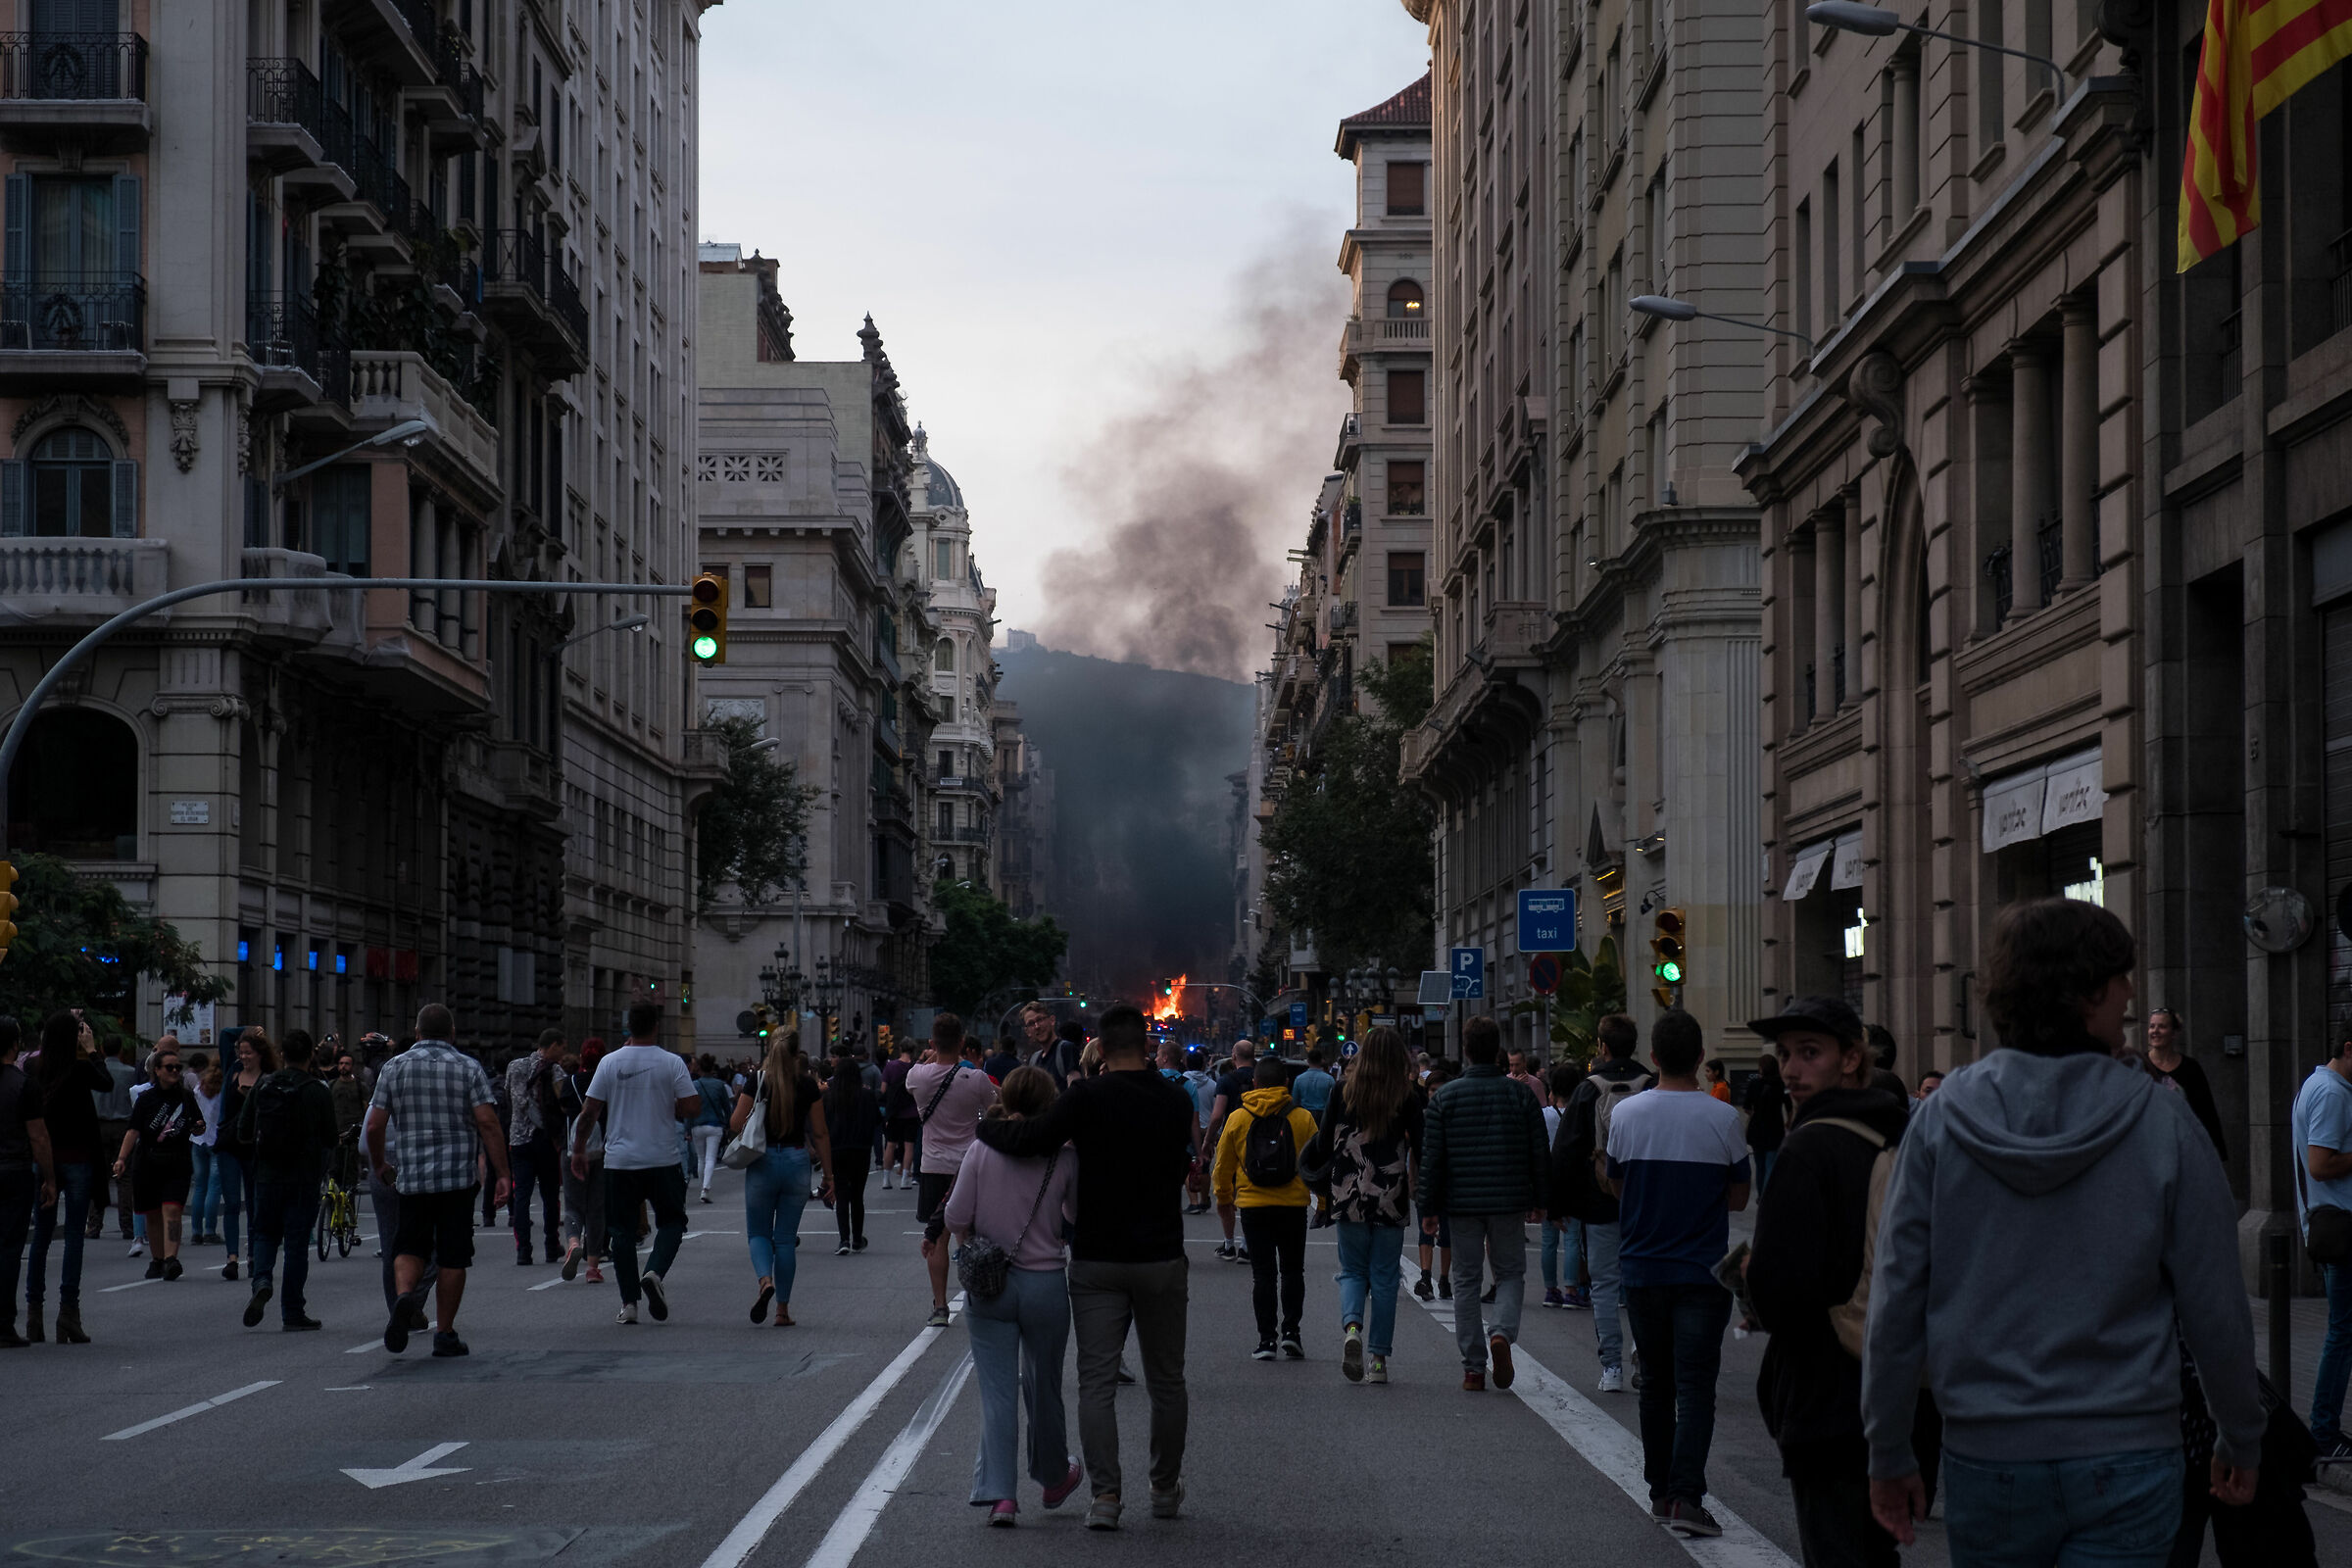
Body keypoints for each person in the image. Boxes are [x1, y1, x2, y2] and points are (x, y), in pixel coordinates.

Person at [1864, 898, 2263, 1562]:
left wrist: (1887, 1446)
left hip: (1987, 1453)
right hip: (2129, 1448)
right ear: (2087, 993)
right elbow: (2215, 1304)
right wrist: (2239, 1433)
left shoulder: (1940, 1121)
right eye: (2120, 978)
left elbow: (1896, 1297)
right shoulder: (2163, 1122)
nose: (2132, 995)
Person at [972, 1004, 1195, 1531]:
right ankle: (1163, 1488)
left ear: (1101, 1045)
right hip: (1161, 1254)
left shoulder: (1085, 1098)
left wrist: (985, 1130)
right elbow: (1192, 1159)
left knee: (1095, 1383)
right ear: (1146, 1044)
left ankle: (1106, 1498)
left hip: (1098, 1257)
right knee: (1167, 1381)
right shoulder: (1175, 1098)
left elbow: (1031, 1140)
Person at [1743, 995, 1912, 1567]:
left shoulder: (1810, 1146)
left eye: (1810, 1052)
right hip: (1897, 1383)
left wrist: (1753, 1285)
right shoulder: (1897, 1136)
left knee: (1836, 1550)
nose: (1791, 1068)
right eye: (1786, 1053)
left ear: (1850, 1058)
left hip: (1825, 1389)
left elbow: (1777, 1286)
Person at [1602, 1007, 1750, 1538]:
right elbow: (1738, 1198)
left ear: (1655, 1058)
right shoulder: (1724, 1119)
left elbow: (1616, 1186)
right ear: (1701, 1058)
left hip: (1642, 1269)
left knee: (1656, 1386)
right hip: (1702, 1273)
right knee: (1695, 1387)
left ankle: (1660, 1490)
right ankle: (1688, 1495)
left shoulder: (1626, 1114)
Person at [946, 1064, 1084, 1526]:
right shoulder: (1063, 1157)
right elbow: (1074, 1214)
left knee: (997, 1391)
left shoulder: (981, 1149)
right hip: (1045, 1284)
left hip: (992, 1284)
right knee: (1044, 1387)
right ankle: (1052, 1478)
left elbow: (955, 1215)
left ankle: (1001, 1495)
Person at [367, 1004, 511, 1356]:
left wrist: (380, 1163)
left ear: (417, 1033)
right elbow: (489, 1123)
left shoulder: (394, 1068)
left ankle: (404, 1297)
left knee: (408, 1247)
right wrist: (503, 1174)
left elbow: (374, 1125)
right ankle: (444, 1333)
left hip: (412, 1178)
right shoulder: (468, 1068)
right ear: (452, 1033)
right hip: (457, 1181)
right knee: (452, 1256)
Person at [1417, 1014, 1548, 1393]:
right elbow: (1539, 1152)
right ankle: (1502, 1334)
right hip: (1509, 1200)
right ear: (1498, 1052)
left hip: (1461, 1204)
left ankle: (1473, 1367)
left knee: (1466, 1280)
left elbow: (1432, 1160)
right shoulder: (1521, 1095)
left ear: (1466, 1050)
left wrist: (1428, 1208)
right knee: (1509, 1273)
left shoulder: (1445, 1096)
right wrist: (1541, 1198)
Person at [1303, 1024, 1422, 1384]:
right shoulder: (1407, 1095)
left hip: (1347, 1193)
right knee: (1385, 1278)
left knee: (1353, 1271)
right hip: (1391, 1195)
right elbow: (1422, 1143)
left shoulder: (1342, 1090)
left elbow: (1323, 1142)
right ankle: (1379, 1362)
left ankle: (1352, 1328)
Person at [572, 1002, 698, 1326]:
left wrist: (578, 1149)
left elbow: (589, 1112)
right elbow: (691, 1106)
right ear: (656, 1025)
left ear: (629, 1027)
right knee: (672, 1222)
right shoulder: (672, 1063)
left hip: (621, 1160)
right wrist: (669, 1104)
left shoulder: (609, 1063)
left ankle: (629, 1304)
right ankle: (654, 1271)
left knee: (621, 1232)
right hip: (662, 1158)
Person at [1555, 1012, 1650, 1391]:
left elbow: (1565, 1149)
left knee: (1605, 1286)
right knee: (1642, 1282)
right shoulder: (1651, 1082)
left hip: (1599, 1202)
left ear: (1603, 1046)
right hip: (1645, 1201)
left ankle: (1611, 1367)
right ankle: (1643, 1352)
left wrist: (1559, 1203)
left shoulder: (1588, 1088)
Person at [1211, 1054, 1318, 1361]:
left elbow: (1223, 1165)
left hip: (1253, 1206)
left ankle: (1267, 1340)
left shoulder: (1238, 1118)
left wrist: (1223, 1198)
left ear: (1254, 1083)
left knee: (1263, 1274)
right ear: (1287, 1083)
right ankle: (1292, 1334)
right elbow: (1317, 1164)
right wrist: (1323, 1202)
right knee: (1293, 1271)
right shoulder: (1302, 1117)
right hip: (1293, 1205)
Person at [239, 1028, 338, 1331]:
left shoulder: (264, 1085)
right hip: (302, 1180)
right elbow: (330, 1138)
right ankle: (292, 1311)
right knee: (296, 1246)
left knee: (265, 1234)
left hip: (267, 1176)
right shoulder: (317, 1090)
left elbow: (243, 1131)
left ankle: (262, 1280)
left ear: (281, 1055)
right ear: (311, 1055)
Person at [728, 1036, 831, 1326]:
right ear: (798, 1052)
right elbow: (821, 1133)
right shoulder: (808, 1085)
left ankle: (764, 1281)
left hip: (763, 1161)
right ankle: (782, 1311)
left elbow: (736, 1123)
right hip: (797, 1160)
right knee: (785, 1240)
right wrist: (829, 1175)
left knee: (759, 1234)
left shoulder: (758, 1080)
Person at [907, 1012, 999, 1328]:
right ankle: (977, 1296)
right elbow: (995, 1110)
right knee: (971, 1236)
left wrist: (930, 1057)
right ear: (962, 1042)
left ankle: (940, 1306)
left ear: (932, 1042)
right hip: (969, 1166)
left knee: (937, 1238)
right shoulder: (976, 1079)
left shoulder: (917, 1076)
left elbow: (920, 1069)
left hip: (933, 1166)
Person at [2292, 1022, 2352, 1463]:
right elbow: (2320, 1164)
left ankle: (2325, 1429)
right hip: (2343, 1231)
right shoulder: (2332, 1093)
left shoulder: (2318, 1084)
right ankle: (2324, 1431)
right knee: (2342, 1334)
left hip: (2336, 1228)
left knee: (2343, 1332)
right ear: (2349, 1049)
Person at [27, 1012, 107, 1343]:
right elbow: (106, 1081)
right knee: (74, 1234)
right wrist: (91, 1049)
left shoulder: (35, 1067)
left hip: (45, 1160)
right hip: (77, 1159)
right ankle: (68, 1312)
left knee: (42, 1237)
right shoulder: (81, 1069)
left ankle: (33, 1313)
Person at [114, 1045, 202, 1282]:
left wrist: (198, 1127)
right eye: (169, 1067)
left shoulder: (185, 1096)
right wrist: (122, 1159)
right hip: (148, 1163)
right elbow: (133, 1131)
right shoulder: (146, 1099)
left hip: (177, 1162)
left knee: (172, 1210)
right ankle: (158, 1259)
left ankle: (171, 1259)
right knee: (152, 1214)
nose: (174, 1071)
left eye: (177, 1067)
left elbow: (198, 1121)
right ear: (157, 1070)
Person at [0, 1015, 55, 1348]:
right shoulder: (23, 1084)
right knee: (8, 1248)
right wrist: (49, 1177)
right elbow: (39, 1137)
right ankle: (3, 1323)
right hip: (13, 1171)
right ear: (15, 1044)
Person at [215, 1030, 274, 1280]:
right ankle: (232, 1258)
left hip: (254, 1146)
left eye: (249, 1052)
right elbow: (225, 1036)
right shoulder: (232, 1071)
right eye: (241, 1051)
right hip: (229, 1143)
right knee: (231, 1203)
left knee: (253, 1203)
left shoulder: (268, 1078)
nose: (244, 1056)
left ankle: (252, 1256)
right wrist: (251, 1028)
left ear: (260, 1054)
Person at [505, 1030, 568, 1263]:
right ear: (551, 1046)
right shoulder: (556, 1071)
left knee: (521, 1193)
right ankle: (552, 1244)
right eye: (562, 1048)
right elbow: (563, 1106)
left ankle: (523, 1250)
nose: (563, 1053)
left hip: (518, 1139)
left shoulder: (514, 1066)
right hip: (545, 1139)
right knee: (550, 1194)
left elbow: (508, 1099)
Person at [2142, 1007, 2227, 1158]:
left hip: (2183, 1149)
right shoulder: (2139, 1064)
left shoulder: (2190, 1068)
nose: (2155, 1031)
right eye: (2152, 1026)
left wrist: (2215, 1151)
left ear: (2174, 1033)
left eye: (2162, 1026)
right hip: (2147, 1147)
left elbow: (2206, 1112)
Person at [823, 1044, 881, 1255]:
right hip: (861, 1149)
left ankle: (843, 1239)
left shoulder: (829, 1097)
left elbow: (824, 1125)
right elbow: (877, 1120)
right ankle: (857, 1238)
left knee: (842, 1193)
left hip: (837, 1149)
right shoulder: (866, 1096)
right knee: (857, 1195)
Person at [1542, 1059, 1590, 1309]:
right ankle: (1572, 1289)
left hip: (1548, 1181)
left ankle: (1551, 1289)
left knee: (1548, 1239)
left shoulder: (1545, 1115)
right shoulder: (1580, 1115)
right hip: (1574, 1181)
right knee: (1572, 1238)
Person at [559, 1039, 607, 1284]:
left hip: (572, 1149)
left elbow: (563, 1111)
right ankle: (593, 1268)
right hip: (601, 1150)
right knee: (597, 1208)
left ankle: (573, 1242)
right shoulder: (608, 1082)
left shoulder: (571, 1082)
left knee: (573, 1203)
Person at [1206, 1040, 1257, 1263]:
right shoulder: (1261, 1078)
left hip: (1231, 1141)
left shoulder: (1226, 1080)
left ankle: (1229, 1245)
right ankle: (1246, 1247)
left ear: (1234, 1057)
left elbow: (1217, 1116)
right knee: (1248, 1194)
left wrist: (1208, 1140)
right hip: (1257, 1143)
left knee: (1224, 1191)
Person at [86, 1035, 134, 1248]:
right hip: (123, 1126)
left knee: (99, 1176)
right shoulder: (131, 1073)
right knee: (123, 1178)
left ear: (102, 1050)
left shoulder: (94, 1071)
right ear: (121, 1050)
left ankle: (94, 1225)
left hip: (98, 1126)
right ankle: (127, 1226)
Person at [187, 1052, 222, 1245]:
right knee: (214, 1187)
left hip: (198, 1139)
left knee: (199, 1187)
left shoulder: (200, 1087)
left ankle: (196, 1231)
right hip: (216, 1141)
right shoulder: (224, 1089)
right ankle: (210, 1230)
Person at [1743, 1054, 1788, 1193]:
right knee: (1770, 1163)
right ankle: (1767, 1195)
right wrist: (1789, 1123)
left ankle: (1761, 1194)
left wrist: (1754, 1115)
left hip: (1758, 1128)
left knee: (1759, 1164)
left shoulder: (1754, 1084)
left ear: (1761, 1068)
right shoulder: (1782, 1084)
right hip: (1775, 1127)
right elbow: (1789, 1107)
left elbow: (1746, 1106)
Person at [880, 1040, 918, 1190]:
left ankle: (886, 1179)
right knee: (909, 1146)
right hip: (911, 1112)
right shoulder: (916, 1067)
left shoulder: (890, 1066)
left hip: (894, 1112)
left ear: (900, 1048)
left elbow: (883, 1089)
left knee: (890, 1144)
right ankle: (905, 1178)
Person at [1183, 1051, 1217, 1214]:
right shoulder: (1212, 1084)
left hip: (1188, 1128)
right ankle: (1204, 1200)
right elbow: (1217, 1110)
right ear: (1203, 1065)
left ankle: (1194, 1202)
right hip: (1206, 1130)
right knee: (1204, 1166)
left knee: (1188, 1165)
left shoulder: (1183, 1082)